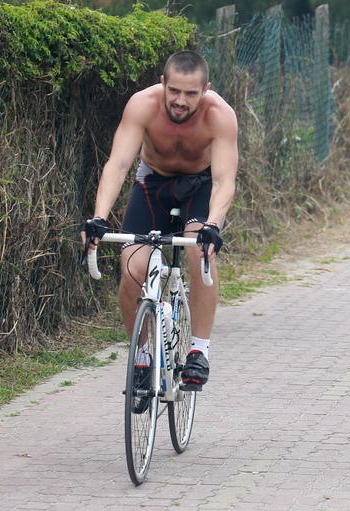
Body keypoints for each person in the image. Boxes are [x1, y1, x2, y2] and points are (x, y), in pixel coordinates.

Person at [82, 50, 238, 392]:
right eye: (175, 91)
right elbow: (118, 164)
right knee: (132, 268)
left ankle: (198, 351)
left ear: (206, 90)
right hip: (153, 183)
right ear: (162, 83)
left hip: (201, 185)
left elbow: (225, 180)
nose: (181, 101)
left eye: (191, 93)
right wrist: (99, 217)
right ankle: (141, 356)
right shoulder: (142, 105)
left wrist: (212, 224)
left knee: (200, 253)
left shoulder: (220, 116)